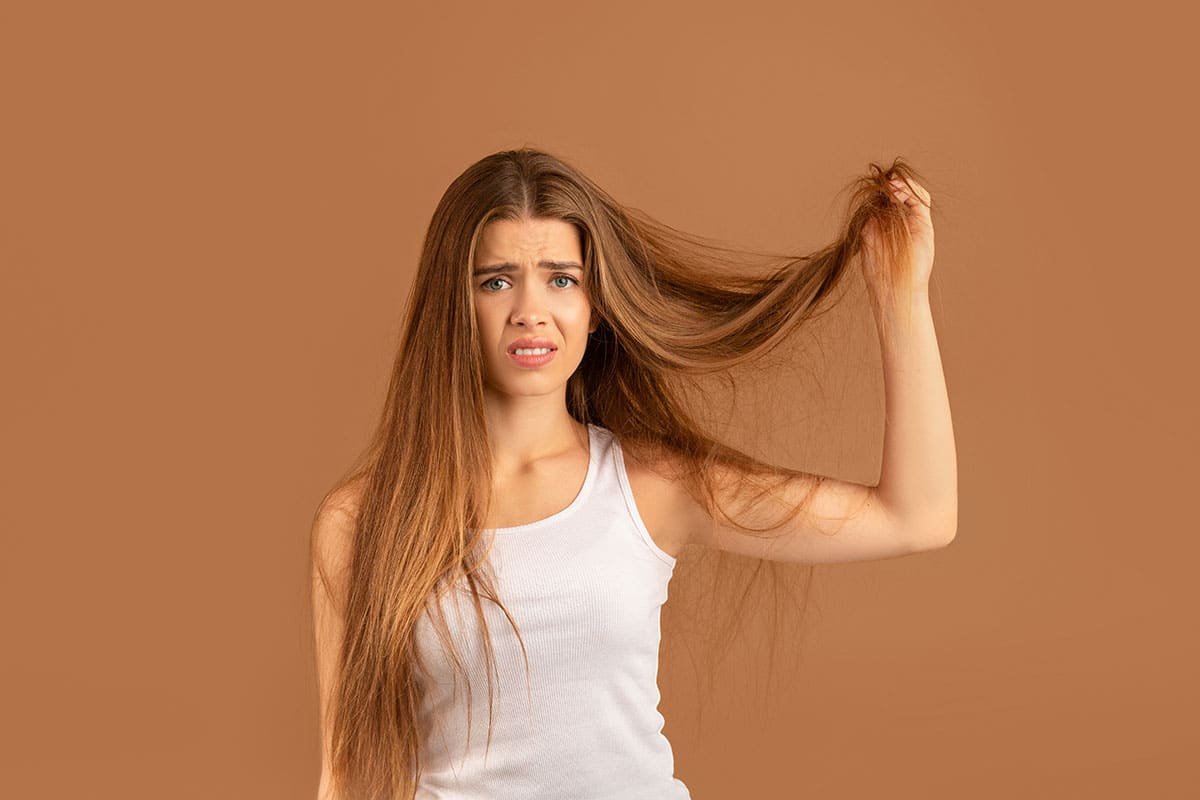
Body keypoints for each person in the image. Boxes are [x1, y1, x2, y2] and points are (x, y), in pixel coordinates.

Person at [310, 146, 956, 799]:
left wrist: (900, 292)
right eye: (496, 279)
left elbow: (917, 515)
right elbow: (342, 775)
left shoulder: (650, 487)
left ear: (595, 309)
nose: (531, 310)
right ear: (452, 305)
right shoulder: (362, 520)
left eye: (561, 278)